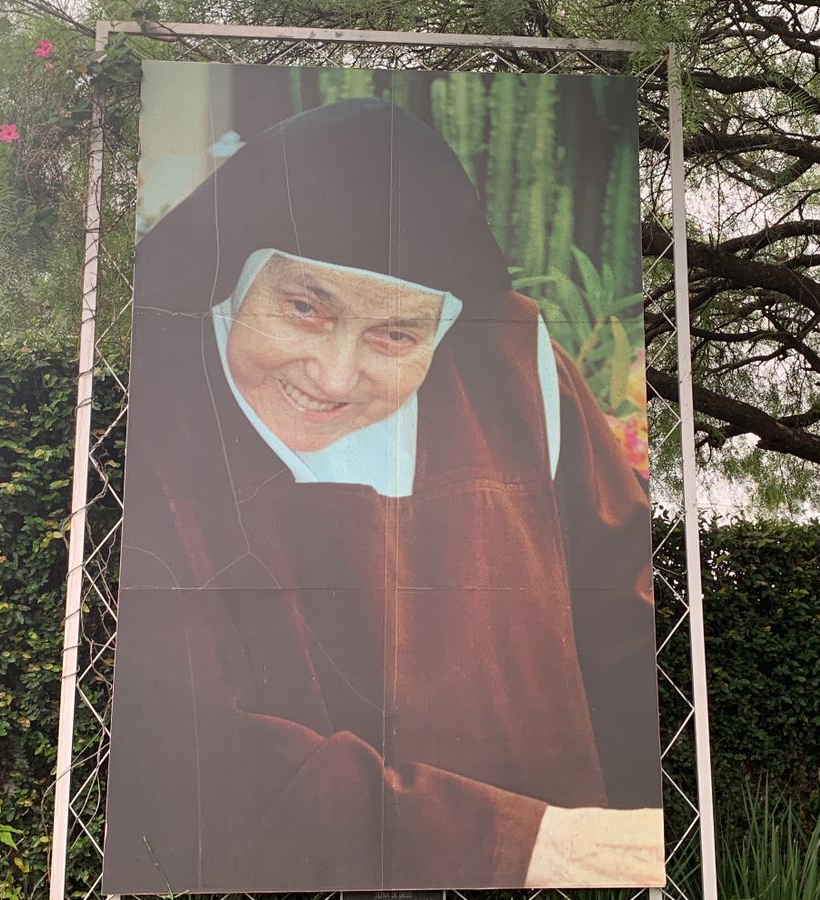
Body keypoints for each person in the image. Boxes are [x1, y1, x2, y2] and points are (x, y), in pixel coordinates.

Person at [103, 96, 662, 894]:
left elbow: (629, 628)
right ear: (237, 277)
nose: (333, 378)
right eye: (305, 308)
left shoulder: (517, 373)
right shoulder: (149, 414)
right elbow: (182, 754)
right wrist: (535, 843)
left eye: (395, 334)